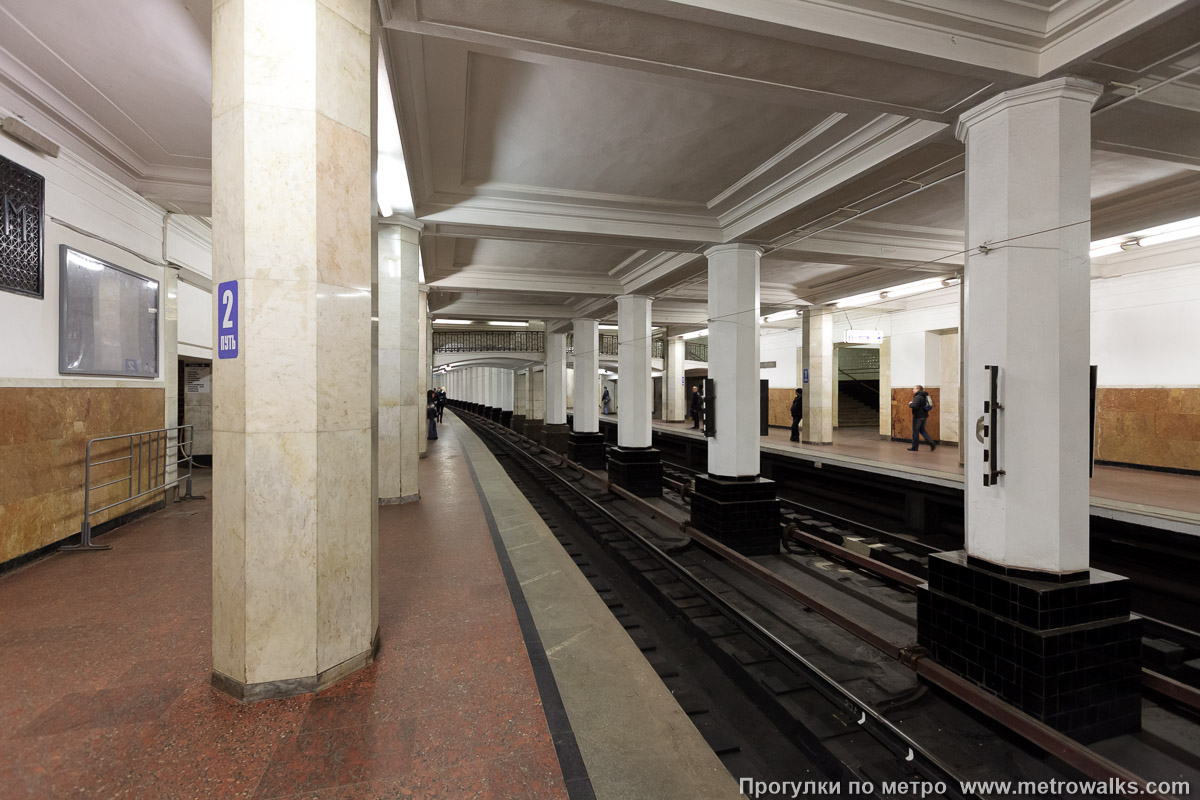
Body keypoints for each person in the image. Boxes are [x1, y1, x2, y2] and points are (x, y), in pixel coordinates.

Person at [907, 385, 936, 451]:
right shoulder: (924, 395)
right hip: (924, 416)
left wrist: (910, 403)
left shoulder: (917, 397)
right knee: (922, 430)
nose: (913, 390)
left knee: (915, 432)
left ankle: (915, 447)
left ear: (917, 389)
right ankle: (931, 442)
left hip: (918, 417)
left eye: (914, 389)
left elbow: (915, 406)